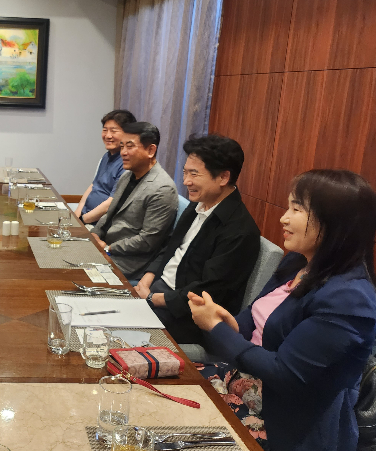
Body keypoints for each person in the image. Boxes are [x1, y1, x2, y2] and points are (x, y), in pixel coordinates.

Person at [188, 169, 376, 451]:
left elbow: (284, 374)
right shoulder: (298, 262)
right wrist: (228, 322)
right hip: (248, 386)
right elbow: (255, 317)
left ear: (336, 222)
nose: (283, 218)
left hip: (290, 424)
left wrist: (214, 327)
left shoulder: (349, 298)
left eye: (296, 209)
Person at [135, 135, 260, 345]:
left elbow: (208, 291)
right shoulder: (198, 205)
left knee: (110, 335)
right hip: (158, 291)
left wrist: (154, 299)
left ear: (223, 177)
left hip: (187, 318)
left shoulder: (238, 230)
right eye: (185, 172)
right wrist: (147, 279)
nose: (186, 181)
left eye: (194, 174)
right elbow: (170, 247)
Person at [91, 122, 178, 280]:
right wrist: (94, 236)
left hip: (125, 261)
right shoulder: (127, 176)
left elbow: (147, 240)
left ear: (150, 150)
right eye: (122, 146)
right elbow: (109, 214)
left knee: (68, 272)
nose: (123, 152)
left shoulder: (162, 189)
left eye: (130, 146)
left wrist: (108, 247)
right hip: (104, 246)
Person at [75, 109, 136, 226]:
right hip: (86, 217)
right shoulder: (107, 156)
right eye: (105, 130)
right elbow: (94, 185)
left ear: (128, 134)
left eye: (114, 131)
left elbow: (112, 203)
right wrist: (77, 213)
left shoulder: (126, 163)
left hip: (99, 225)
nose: (108, 136)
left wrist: (82, 220)